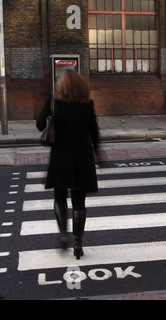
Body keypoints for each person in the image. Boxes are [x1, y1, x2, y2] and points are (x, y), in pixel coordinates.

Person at [36, 70, 99, 260]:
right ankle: (78, 242)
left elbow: (40, 125)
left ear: (61, 85)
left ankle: (63, 233)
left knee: (60, 196)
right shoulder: (87, 104)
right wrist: (98, 154)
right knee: (79, 201)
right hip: (82, 157)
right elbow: (94, 133)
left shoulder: (54, 101)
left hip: (60, 156)